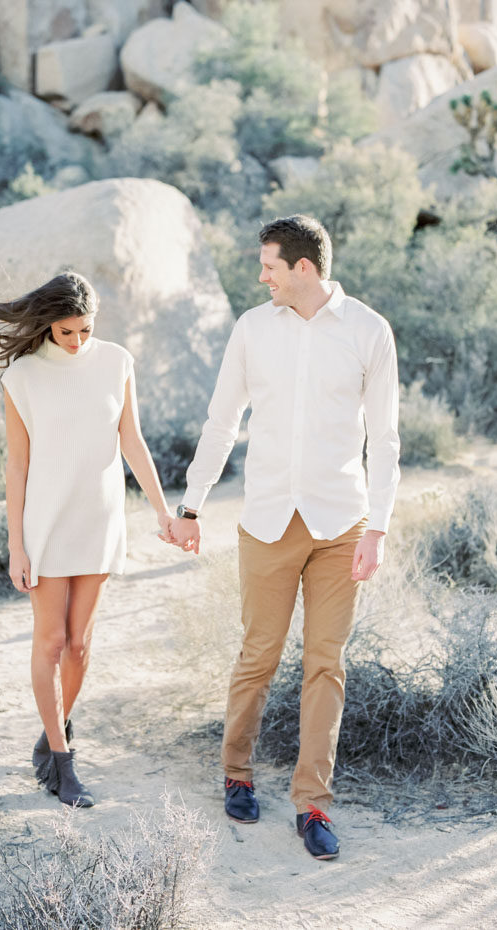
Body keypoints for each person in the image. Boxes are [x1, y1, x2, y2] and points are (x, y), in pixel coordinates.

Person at [169, 215, 400, 859]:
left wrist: (377, 527)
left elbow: (383, 440)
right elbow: (222, 422)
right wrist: (191, 506)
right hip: (267, 520)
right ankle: (237, 772)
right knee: (259, 654)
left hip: (341, 525)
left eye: (269, 264)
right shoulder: (252, 328)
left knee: (327, 664)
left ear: (303, 268)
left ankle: (312, 803)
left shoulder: (368, 331)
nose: (260, 275)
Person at [0, 271, 174, 807]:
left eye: (85, 330)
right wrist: (15, 544)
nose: (77, 341)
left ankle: (54, 730)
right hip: (46, 522)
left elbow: (131, 440)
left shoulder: (116, 363)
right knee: (52, 642)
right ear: (47, 325)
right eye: (66, 332)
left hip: (99, 518)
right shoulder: (22, 376)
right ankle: (64, 765)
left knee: (81, 643)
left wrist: (162, 511)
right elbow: (16, 466)